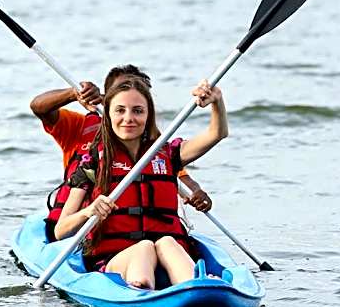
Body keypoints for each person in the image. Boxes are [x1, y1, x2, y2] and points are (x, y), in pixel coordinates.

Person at [54, 77, 228, 289]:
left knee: (166, 242)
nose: (129, 118)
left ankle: (196, 288)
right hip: (113, 259)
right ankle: (141, 287)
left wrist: (217, 102)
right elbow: (61, 231)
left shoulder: (168, 153)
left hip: (169, 251)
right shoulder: (91, 162)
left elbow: (216, 134)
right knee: (144, 247)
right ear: (107, 114)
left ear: (148, 116)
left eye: (138, 111)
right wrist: (88, 211)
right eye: (120, 110)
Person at [29, 65, 213, 242]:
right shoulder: (78, 127)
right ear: (107, 98)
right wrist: (73, 94)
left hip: (135, 233)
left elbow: (179, 178)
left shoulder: (153, 147)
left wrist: (196, 192)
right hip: (82, 225)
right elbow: (39, 107)